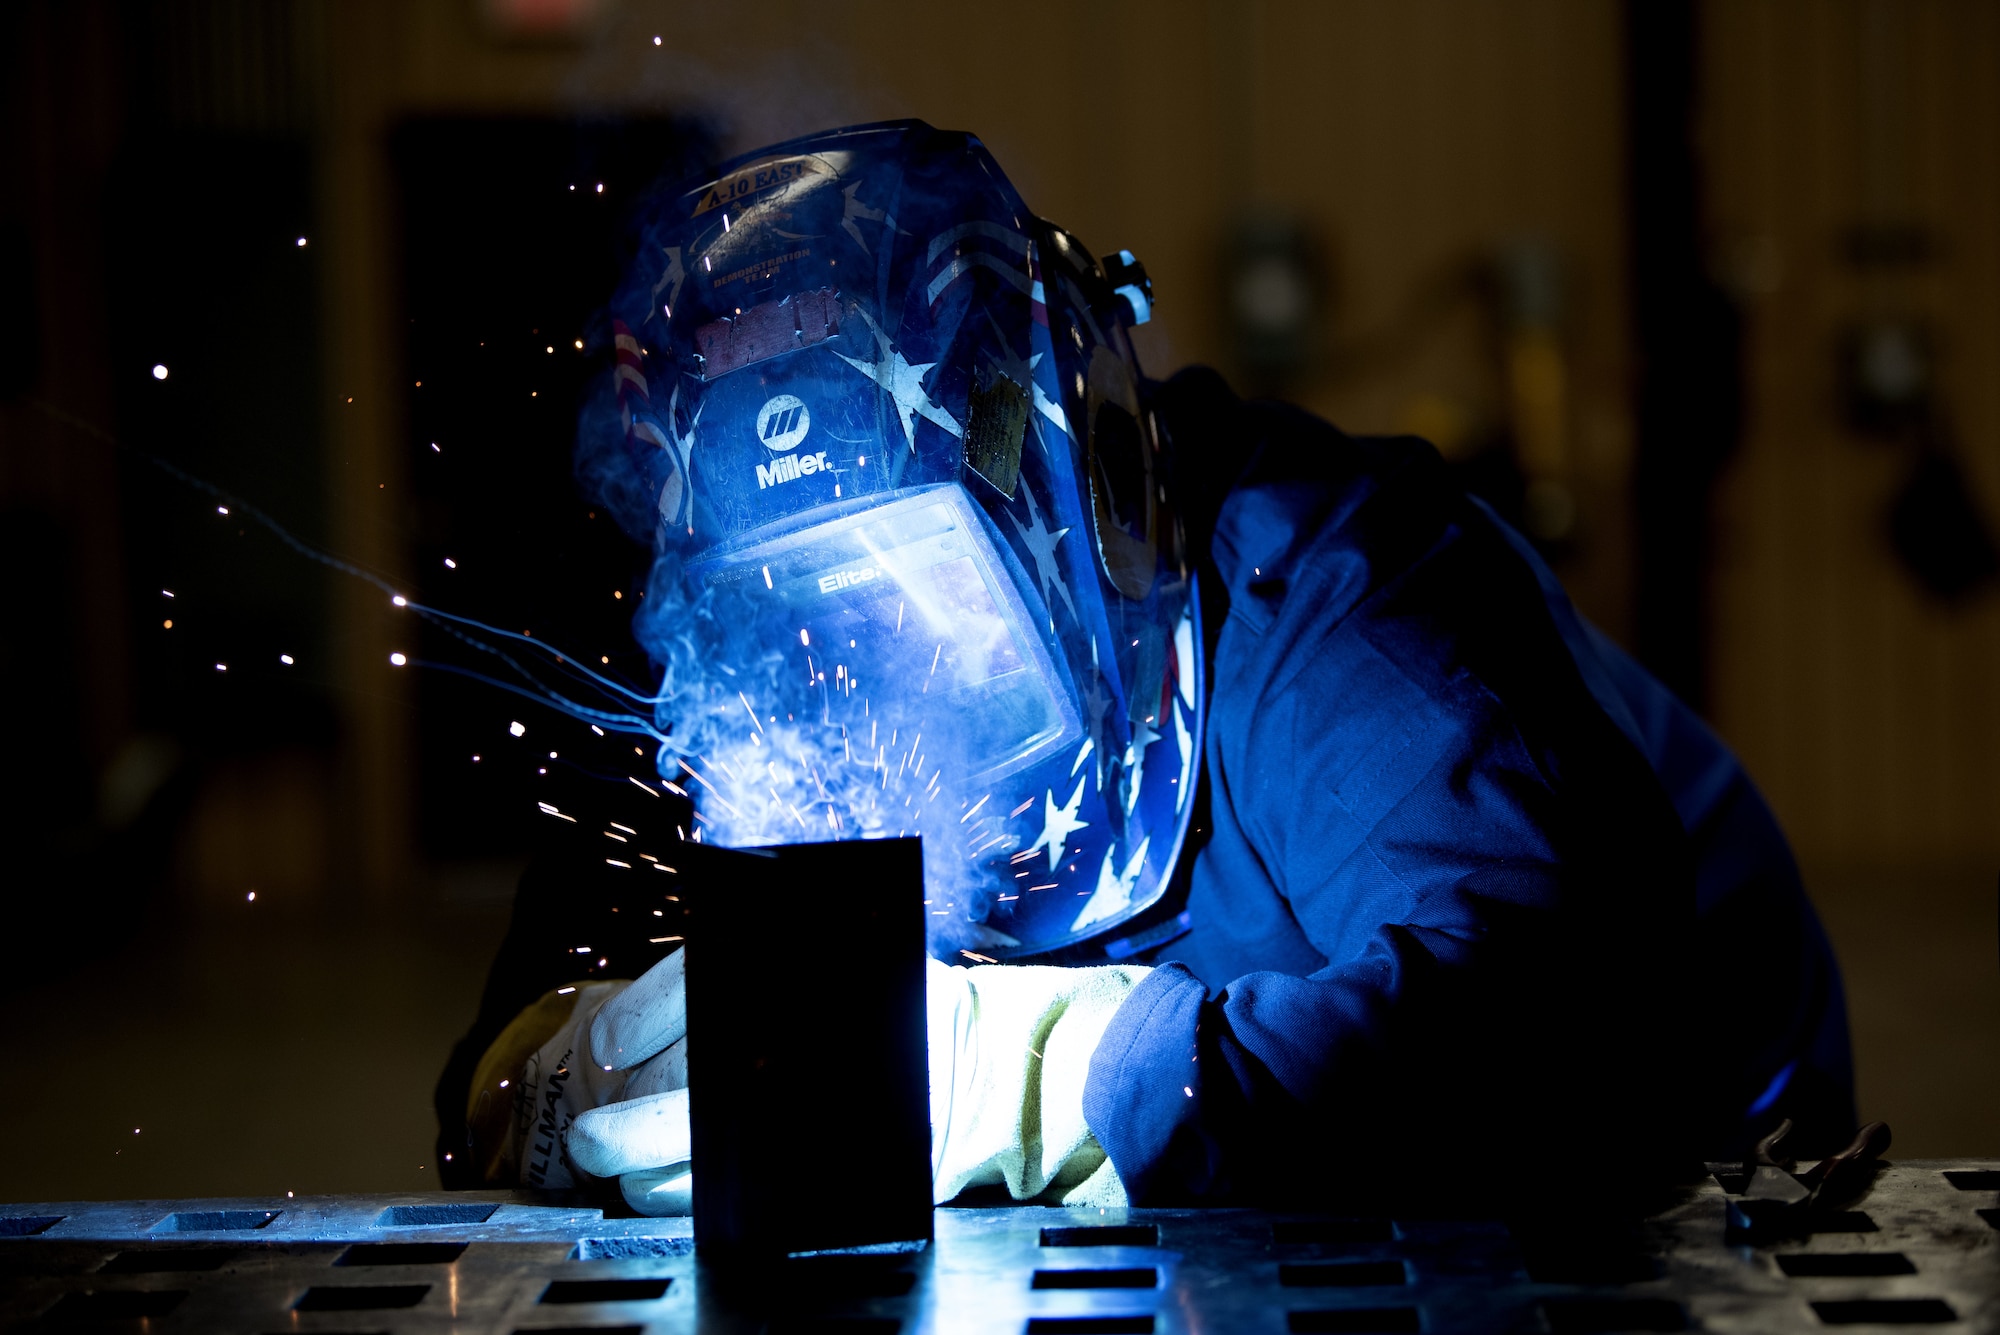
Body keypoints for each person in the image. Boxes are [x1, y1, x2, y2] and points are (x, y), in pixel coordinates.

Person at [436, 120, 1853, 1214]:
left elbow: (1574, 1029)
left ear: (1081, 486)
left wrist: (1057, 1077)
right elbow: (506, 1058)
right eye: (797, 620)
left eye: (914, 596)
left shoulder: (1334, 588)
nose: (858, 685)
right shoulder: (731, 666)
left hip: (1710, 1103)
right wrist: (555, 1079)